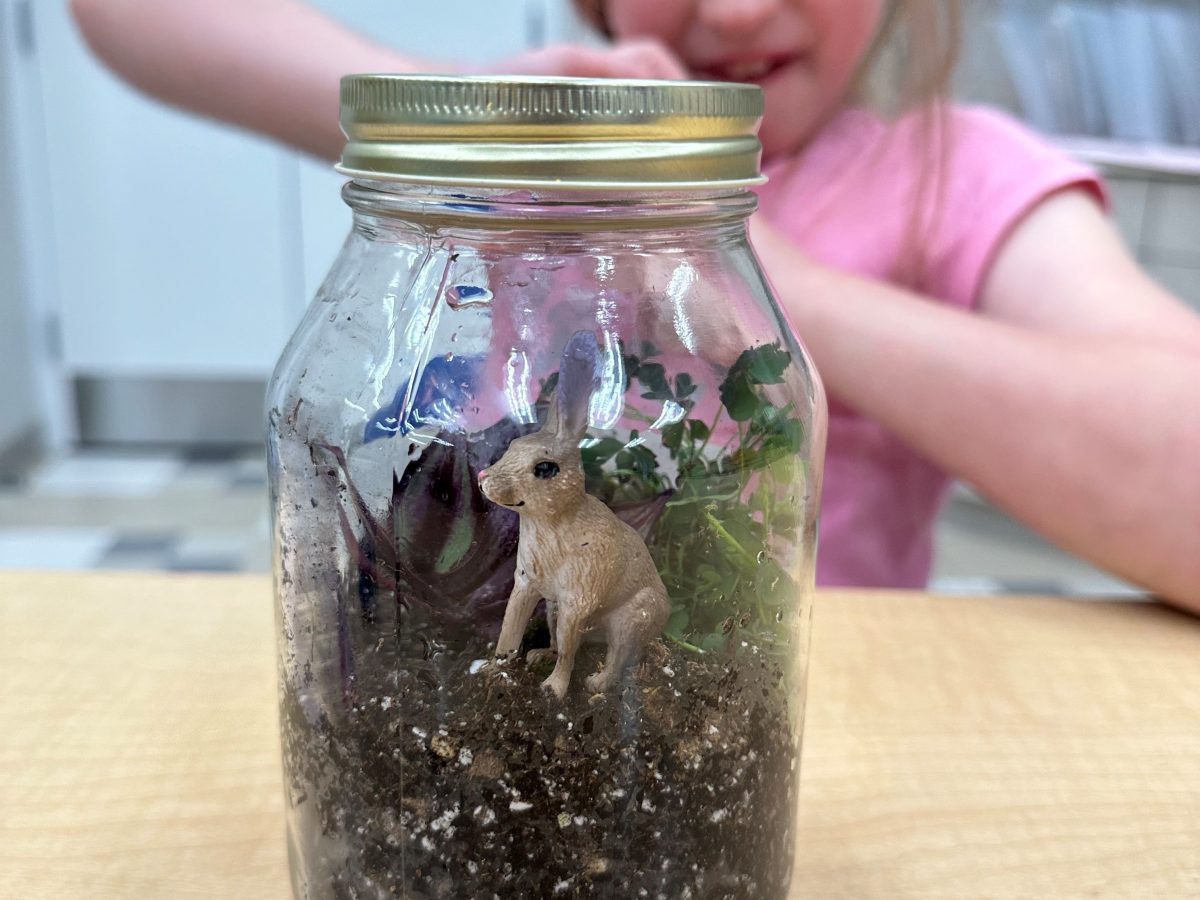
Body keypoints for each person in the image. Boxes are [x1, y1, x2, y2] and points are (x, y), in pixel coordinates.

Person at [71, 0, 1200, 612]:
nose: (738, 9)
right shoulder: (515, 168)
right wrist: (478, 124)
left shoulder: (959, 178)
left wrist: (767, 284)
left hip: (760, 712)